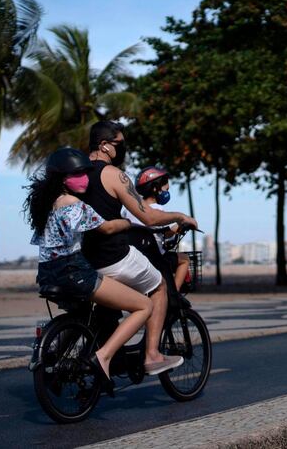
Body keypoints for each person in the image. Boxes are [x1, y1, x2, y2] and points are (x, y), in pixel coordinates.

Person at [25, 147, 153, 396]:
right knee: (143, 307)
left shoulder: (46, 205)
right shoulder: (72, 203)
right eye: (78, 174)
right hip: (74, 271)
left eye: (85, 172)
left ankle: (53, 360)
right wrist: (128, 223)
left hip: (47, 273)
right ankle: (103, 357)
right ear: (63, 178)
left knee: (84, 315)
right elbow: (106, 228)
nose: (84, 178)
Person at [82, 121, 196, 376]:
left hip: (85, 258)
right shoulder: (113, 174)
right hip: (113, 256)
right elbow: (149, 218)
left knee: (110, 308)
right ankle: (152, 355)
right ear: (104, 146)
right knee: (158, 287)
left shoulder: (77, 173)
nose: (122, 149)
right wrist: (180, 216)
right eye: (119, 144)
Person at [123, 166, 191, 292]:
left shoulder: (129, 210)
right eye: (165, 187)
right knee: (184, 259)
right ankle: (173, 293)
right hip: (155, 257)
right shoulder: (158, 211)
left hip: (134, 258)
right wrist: (183, 225)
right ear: (155, 188)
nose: (167, 189)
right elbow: (171, 230)